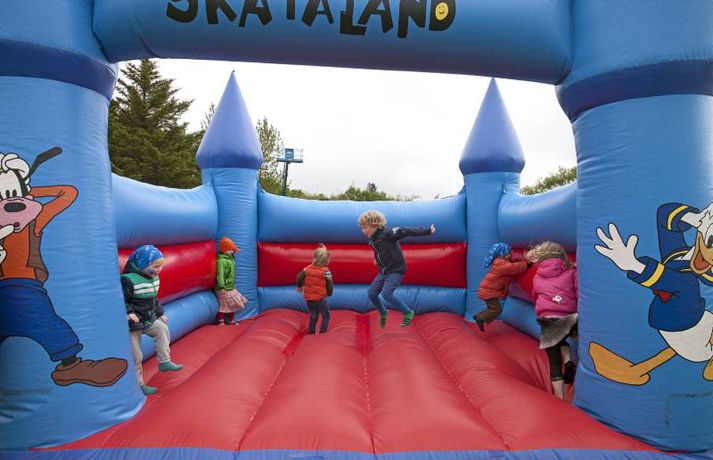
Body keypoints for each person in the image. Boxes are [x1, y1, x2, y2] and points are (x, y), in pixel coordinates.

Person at [122, 245, 183, 395]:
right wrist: (129, 312)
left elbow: (153, 299)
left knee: (162, 328)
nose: (158, 270)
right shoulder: (128, 280)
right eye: (155, 267)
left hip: (147, 318)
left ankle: (164, 361)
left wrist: (160, 313)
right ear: (143, 264)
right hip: (131, 323)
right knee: (136, 355)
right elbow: (122, 299)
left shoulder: (153, 278)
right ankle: (139, 385)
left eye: (160, 266)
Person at [358, 210, 435, 328]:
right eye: (362, 228)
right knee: (371, 293)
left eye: (365, 228)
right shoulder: (373, 239)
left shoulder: (388, 234)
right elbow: (380, 250)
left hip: (396, 270)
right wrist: (377, 259)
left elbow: (405, 231)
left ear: (374, 224)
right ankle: (383, 311)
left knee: (386, 294)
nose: (363, 231)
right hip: (384, 271)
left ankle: (407, 311)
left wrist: (427, 231)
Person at [527, 241, 578, 400]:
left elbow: (534, 296)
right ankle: (568, 360)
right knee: (562, 339)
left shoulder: (537, 276)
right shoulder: (571, 272)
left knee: (554, 361)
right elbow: (579, 293)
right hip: (570, 319)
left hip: (548, 321)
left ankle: (560, 398)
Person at [474, 242, 529, 332]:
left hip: (487, 290)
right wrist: (526, 264)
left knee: (494, 308)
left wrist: (515, 261)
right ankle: (480, 318)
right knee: (497, 309)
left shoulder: (501, 262)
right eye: (509, 253)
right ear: (503, 254)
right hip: (488, 291)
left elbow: (510, 266)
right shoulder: (501, 263)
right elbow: (512, 268)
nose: (511, 254)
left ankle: (479, 317)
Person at [296, 244, 333, 334]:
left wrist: (300, 286)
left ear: (314, 258)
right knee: (326, 315)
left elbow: (298, 278)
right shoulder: (326, 271)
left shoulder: (307, 269)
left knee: (313, 315)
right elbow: (329, 284)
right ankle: (322, 332)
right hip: (320, 299)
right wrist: (329, 293)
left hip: (309, 299)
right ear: (327, 260)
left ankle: (311, 332)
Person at [216, 237, 247, 325]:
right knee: (223, 305)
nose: (232, 252)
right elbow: (220, 274)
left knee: (232, 304)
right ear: (224, 250)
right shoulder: (222, 261)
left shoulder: (230, 259)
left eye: (233, 250)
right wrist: (222, 286)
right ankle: (221, 321)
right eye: (230, 250)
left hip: (230, 286)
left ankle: (230, 320)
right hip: (223, 287)